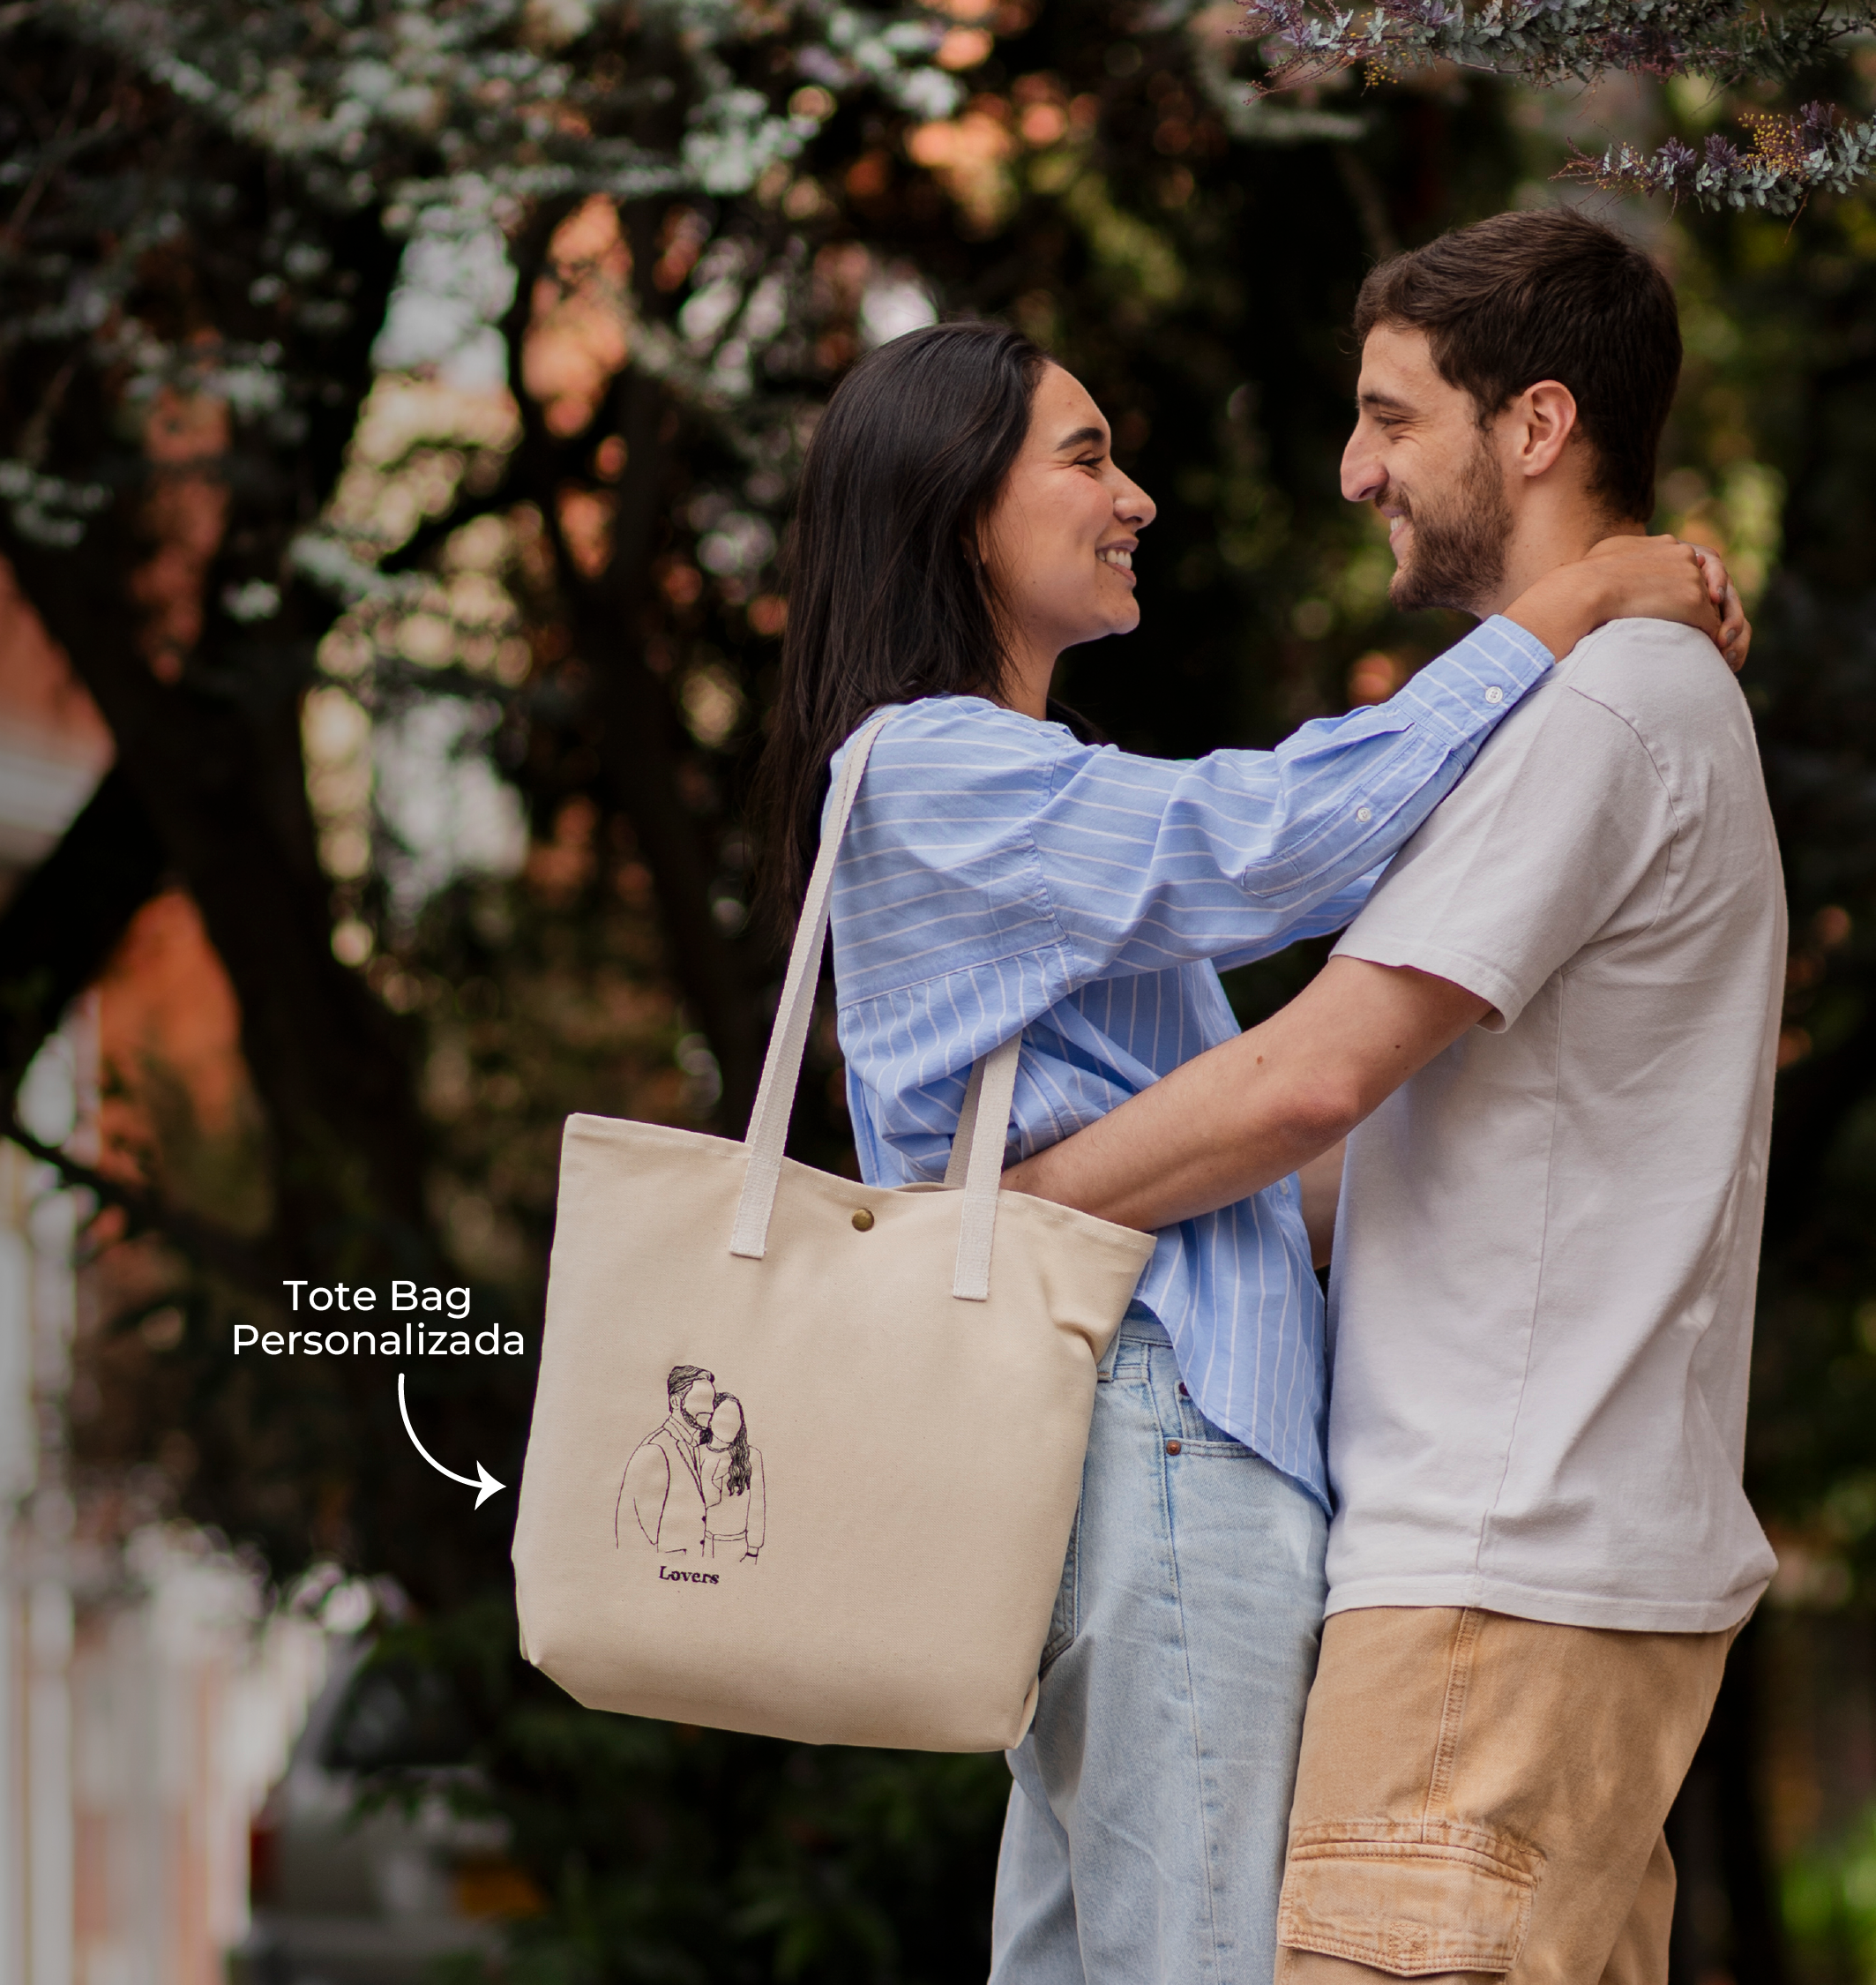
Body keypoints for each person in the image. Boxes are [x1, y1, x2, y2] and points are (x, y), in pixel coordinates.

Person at [753, 314, 1747, 1981]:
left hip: (1107, 1442)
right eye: (1084, 459)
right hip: (1160, 1441)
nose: (1134, 497)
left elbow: (1228, 1160)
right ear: (955, 507)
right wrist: (1564, 615)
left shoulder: (997, 794)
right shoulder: (943, 772)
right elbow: (1276, 837)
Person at [1004, 208, 1781, 1981]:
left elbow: (1311, 1082)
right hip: (1563, 1575)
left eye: (1392, 418)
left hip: (1486, 1585)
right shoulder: (1631, 697)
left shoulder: (1600, 715)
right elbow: (1376, 1154)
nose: (1354, 472)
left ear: (1537, 427)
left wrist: (997, 1217)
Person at [617, 1364, 715, 1555]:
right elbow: (639, 1532)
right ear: (676, 1401)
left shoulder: (696, 1447)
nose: (710, 1409)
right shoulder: (655, 1450)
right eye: (702, 1399)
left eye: (711, 1401)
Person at [699, 1392, 766, 1562]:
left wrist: (753, 1552)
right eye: (723, 1416)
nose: (730, 1424)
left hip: (736, 1547)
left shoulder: (751, 1456)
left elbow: (757, 1506)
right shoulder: (695, 1453)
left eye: (735, 1418)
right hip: (699, 1545)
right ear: (710, 1420)